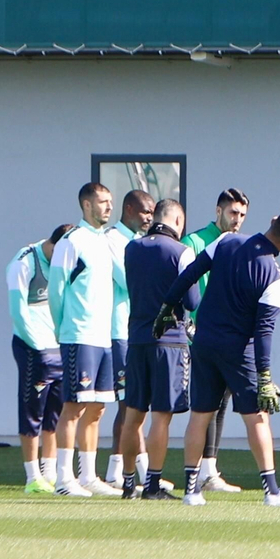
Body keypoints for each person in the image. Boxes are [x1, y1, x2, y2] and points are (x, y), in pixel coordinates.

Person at [159, 210, 280, 507]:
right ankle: (272, 491)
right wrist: (264, 376)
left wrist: (167, 307)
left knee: (200, 415)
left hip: (204, 342)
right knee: (257, 418)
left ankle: (191, 491)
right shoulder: (275, 276)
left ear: (271, 219)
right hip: (240, 352)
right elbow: (263, 331)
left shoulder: (226, 241)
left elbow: (189, 275)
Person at [47, 182, 123, 497]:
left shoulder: (105, 242)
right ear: (86, 205)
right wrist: (63, 329)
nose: (108, 207)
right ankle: (64, 479)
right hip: (78, 335)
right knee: (74, 405)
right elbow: (56, 290)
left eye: (110, 201)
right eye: (102, 202)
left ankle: (89, 475)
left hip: (104, 336)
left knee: (97, 407)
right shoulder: (71, 241)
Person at [118, 199, 196, 500]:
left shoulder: (132, 247)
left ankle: (127, 483)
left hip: (136, 339)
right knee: (161, 415)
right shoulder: (181, 251)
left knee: (133, 414)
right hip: (170, 341)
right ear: (177, 220)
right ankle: (152, 484)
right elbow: (192, 301)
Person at [179, 187, 251, 492]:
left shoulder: (239, 245)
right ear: (218, 211)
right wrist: (190, 321)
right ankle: (197, 473)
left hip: (228, 335)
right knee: (204, 405)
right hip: (202, 335)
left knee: (221, 404)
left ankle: (210, 470)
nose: (237, 220)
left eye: (242, 215)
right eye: (232, 213)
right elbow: (184, 284)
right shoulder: (195, 242)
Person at [8, 223, 73, 494]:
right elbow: (18, 311)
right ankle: (32, 476)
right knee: (32, 411)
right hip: (34, 349)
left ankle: (50, 473)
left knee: (55, 414)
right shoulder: (24, 262)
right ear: (54, 246)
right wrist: (37, 345)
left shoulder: (64, 263)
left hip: (59, 347)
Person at [104, 189, 155, 490]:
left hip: (134, 331)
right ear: (129, 209)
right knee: (129, 405)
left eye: (152, 212)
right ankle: (129, 471)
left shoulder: (139, 243)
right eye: (144, 211)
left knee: (135, 405)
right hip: (119, 331)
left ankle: (122, 469)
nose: (149, 217)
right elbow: (129, 281)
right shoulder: (113, 240)